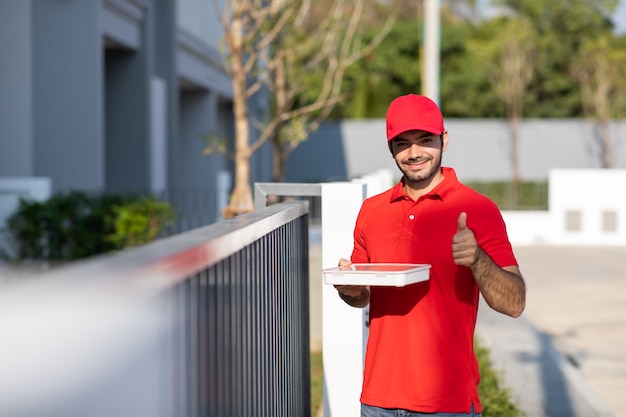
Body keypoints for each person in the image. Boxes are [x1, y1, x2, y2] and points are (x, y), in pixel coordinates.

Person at [334, 94, 526, 417]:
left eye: (425, 140)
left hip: (446, 403)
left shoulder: (479, 209)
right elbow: (362, 297)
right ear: (391, 148)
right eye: (402, 143)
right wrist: (350, 289)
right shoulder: (371, 211)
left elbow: (515, 303)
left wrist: (477, 258)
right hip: (378, 400)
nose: (414, 153)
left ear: (444, 140)